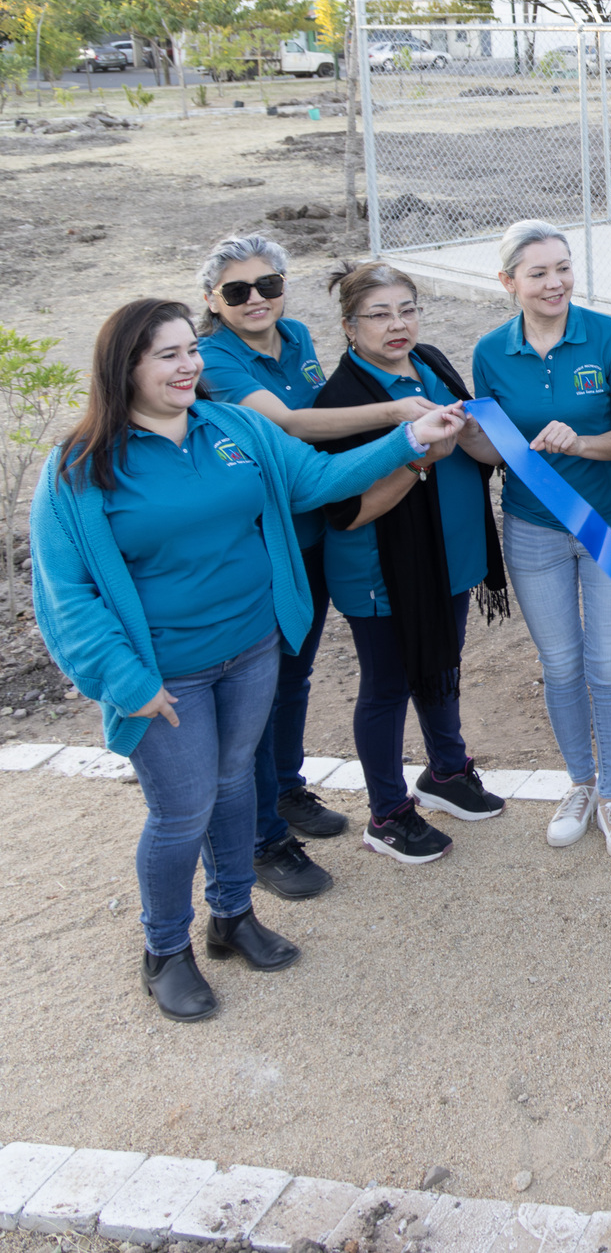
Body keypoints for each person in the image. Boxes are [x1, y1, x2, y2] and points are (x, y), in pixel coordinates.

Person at [31, 299, 467, 1021]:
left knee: (237, 785)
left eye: (190, 352)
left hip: (252, 648)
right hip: (162, 675)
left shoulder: (231, 427)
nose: (188, 366)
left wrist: (409, 435)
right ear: (125, 367)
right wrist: (125, 681)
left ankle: (232, 917)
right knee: (180, 812)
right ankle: (164, 950)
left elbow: (316, 482)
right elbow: (66, 593)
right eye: (167, 355)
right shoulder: (79, 467)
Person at [196, 233, 436, 902]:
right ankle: (261, 837)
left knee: (294, 676)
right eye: (237, 290)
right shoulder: (214, 357)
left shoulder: (297, 336)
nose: (257, 300)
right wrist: (400, 419)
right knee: (259, 687)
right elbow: (293, 426)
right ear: (212, 301)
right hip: (265, 541)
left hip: (317, 533)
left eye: (268, 285)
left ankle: (285, 786)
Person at [313, 262, 512, 866]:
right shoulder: (344, 402)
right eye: (379, 314)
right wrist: (421, 462)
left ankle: (448, 771)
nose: (397, 325)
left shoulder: (429, 361)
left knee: (441, 663)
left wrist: (476, 434)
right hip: (384, 571)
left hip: (446, 560)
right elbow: (347, 511)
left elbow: (482, 452)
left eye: (406, 309)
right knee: (387, 686)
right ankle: (388, 813)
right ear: (349, 327)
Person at [471, 221, 611, 860]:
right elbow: (491, 442)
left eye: (563, 268)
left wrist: (582, 443)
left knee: (607, 663)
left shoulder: (610, 336)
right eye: (539, 272)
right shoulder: (490, 351)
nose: (555, 282)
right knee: (560, 663)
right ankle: (579, 782)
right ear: (509, 282)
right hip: (532, 528)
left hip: (610, 524)